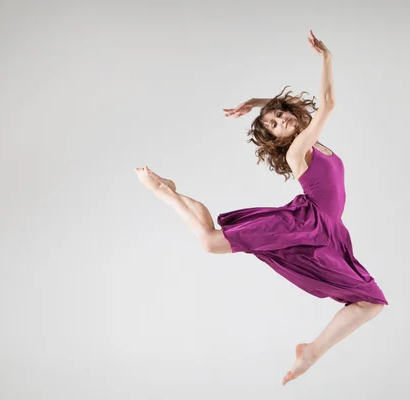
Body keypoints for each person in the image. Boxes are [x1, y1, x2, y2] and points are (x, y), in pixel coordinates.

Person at [134, 30, 388, 386]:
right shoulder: (298, 150)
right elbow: (327, 104)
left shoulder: (314, 139)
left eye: (279, 116)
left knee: (371, 302)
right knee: (211, 242)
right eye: (272, 125)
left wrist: (256, 103)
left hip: (328, 231)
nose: (279, 120)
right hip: (302, 224)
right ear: (279, 141)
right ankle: (165, 192)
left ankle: (311, 352)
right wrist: (326, 57)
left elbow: (294, 109)